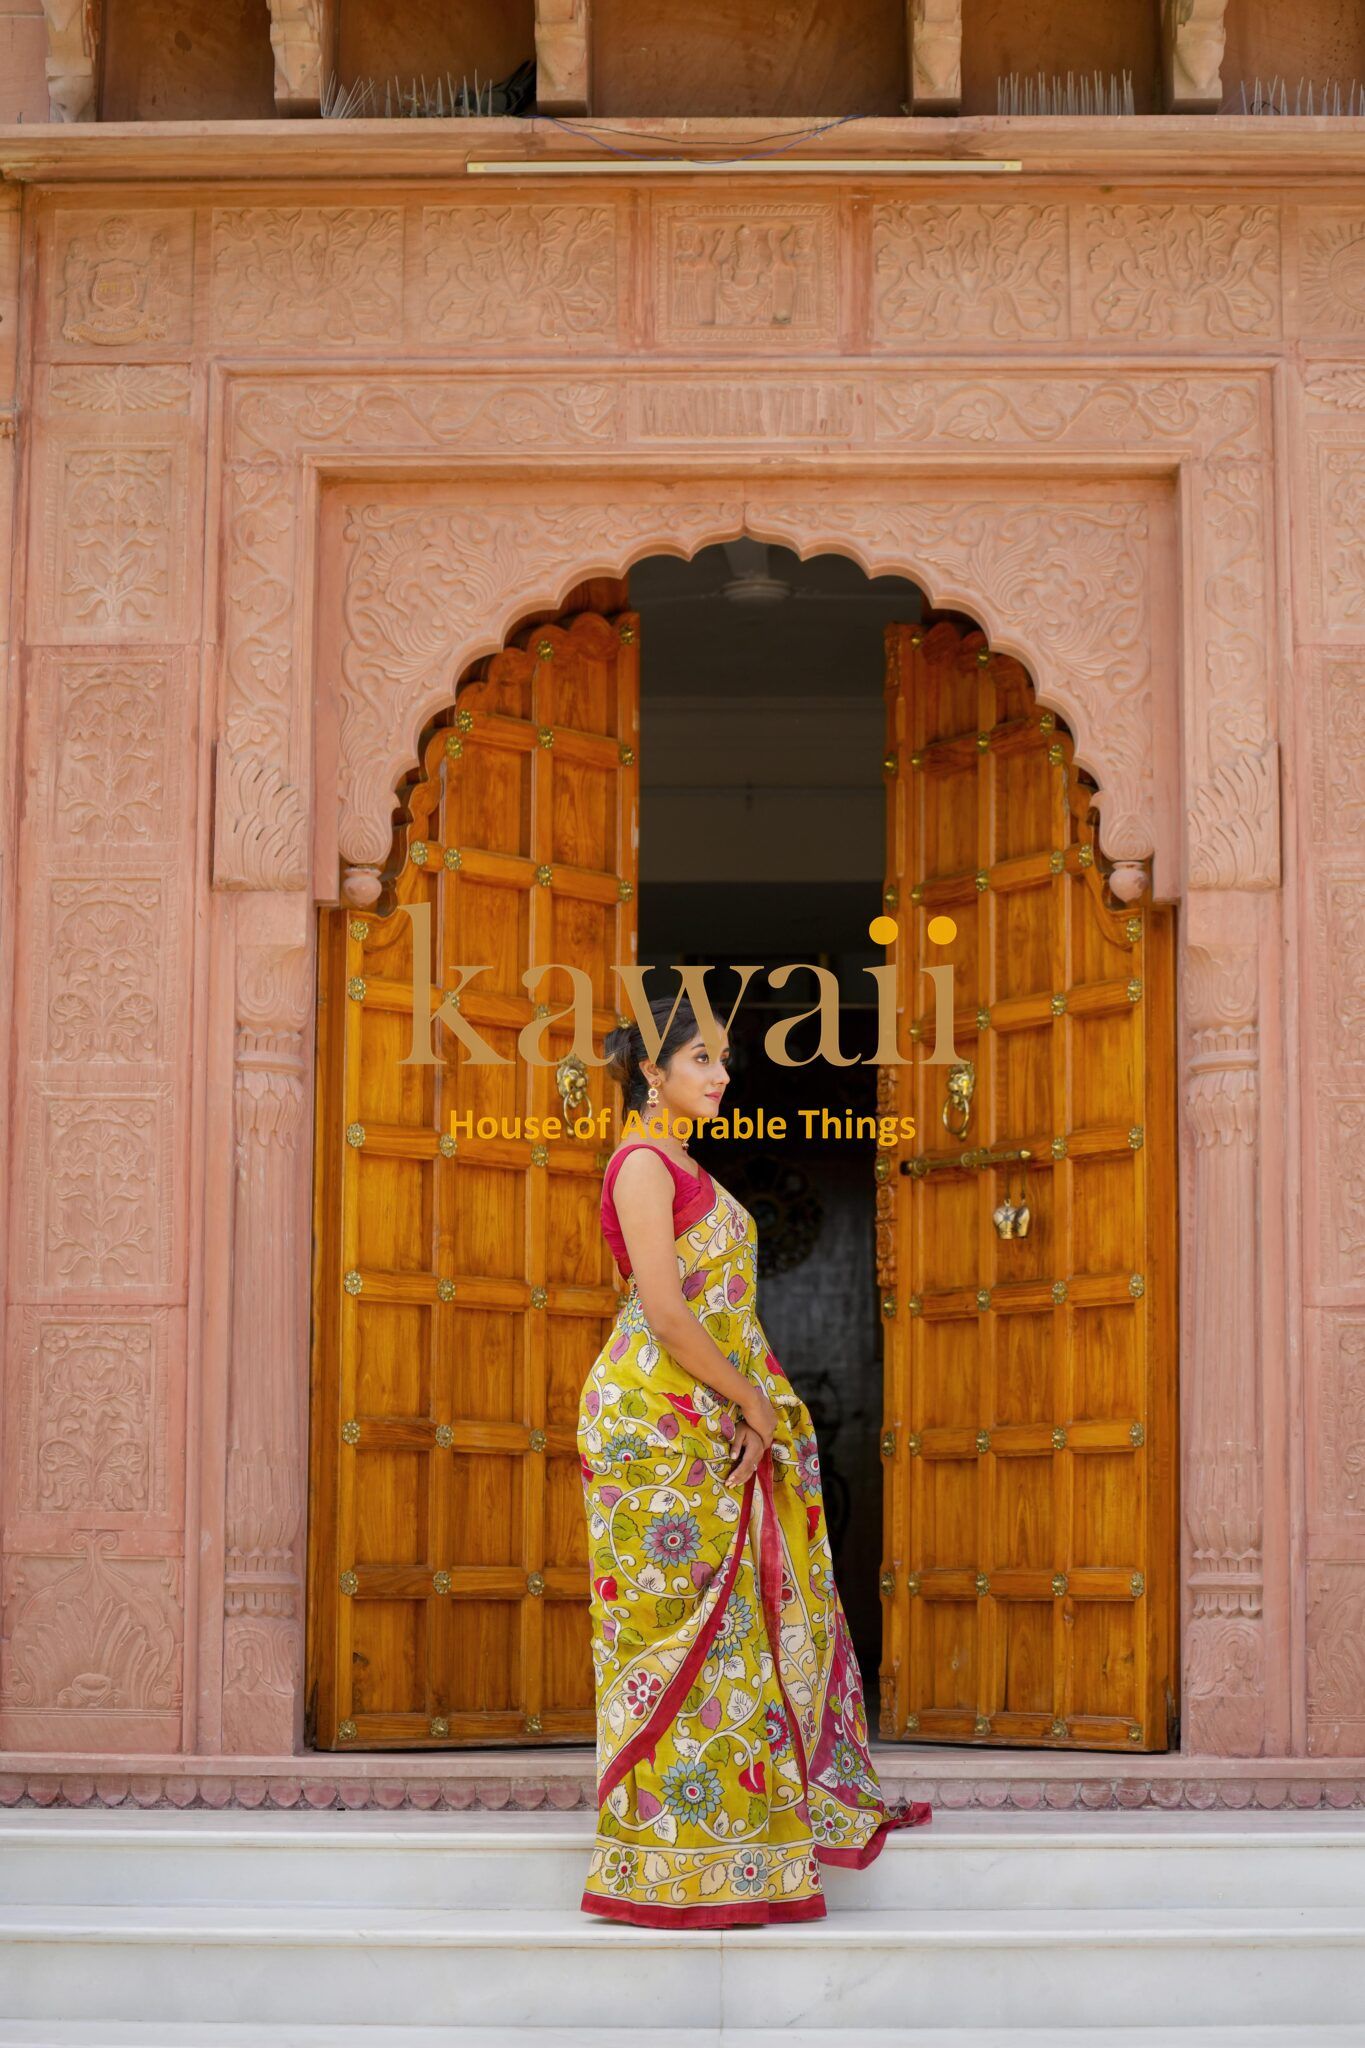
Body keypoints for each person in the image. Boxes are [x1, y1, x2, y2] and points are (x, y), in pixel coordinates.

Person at [576, 992, 931, 1927]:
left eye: (724, 1060)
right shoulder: (643, 1165)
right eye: (703, 1061)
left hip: (699, 1414)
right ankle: (667, 1855)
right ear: (651, 1073)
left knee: (729, 1628)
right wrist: (750, 1401)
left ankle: (737, 1844)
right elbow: (662, 1312)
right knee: (672, 1635)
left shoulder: (681, 1162)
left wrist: (750, 1408)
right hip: (655, 1425)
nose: (723, 1076)